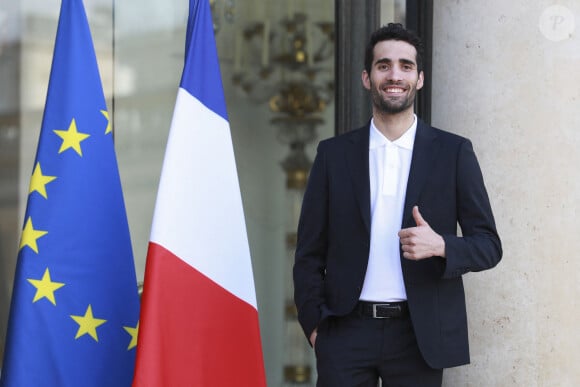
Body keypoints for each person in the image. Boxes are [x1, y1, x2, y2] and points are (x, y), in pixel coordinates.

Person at [293, 23, 502, 386]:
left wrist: (442, 245)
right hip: (345, 332)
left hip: (418, 335)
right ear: (366, 77)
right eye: (383, 65)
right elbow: (309, 253)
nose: (395, 75)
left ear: (419, 79)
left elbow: (489, 245)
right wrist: (316, 327)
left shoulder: (453, 153)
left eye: (406, 66)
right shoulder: (333, 155)